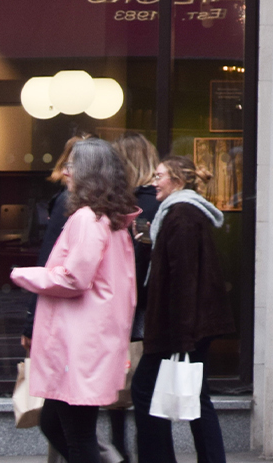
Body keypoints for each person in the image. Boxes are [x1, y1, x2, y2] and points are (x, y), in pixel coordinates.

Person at [13, 138, 141, 463]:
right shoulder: (113, 220)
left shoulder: (88, 218)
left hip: (78, 345)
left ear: (88, 173)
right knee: (56, 424)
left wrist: (24, 275)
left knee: (76, 435)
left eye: (72, 166)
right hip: (89, 341)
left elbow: (74, 278)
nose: (66, 172)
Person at [132, 155, 235, 463]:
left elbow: (184, 278)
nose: (154, 182)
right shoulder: (180, 213)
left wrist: (181, 337)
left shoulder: (181, 216)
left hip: (180, 328)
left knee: (145, 389)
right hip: (187, 326)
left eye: (159, 176)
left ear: (176, 181)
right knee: (196, 396)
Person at [107, 134, 163, 459]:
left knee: (127, 383)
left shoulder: (134, 206)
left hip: (136, 307)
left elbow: (134, 262)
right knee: (143, 387)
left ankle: (123, 449)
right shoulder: (160, 201)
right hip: (154, 306)